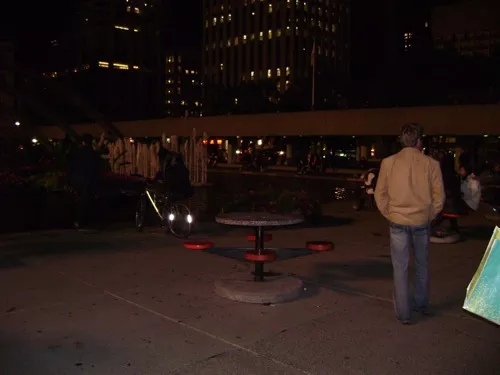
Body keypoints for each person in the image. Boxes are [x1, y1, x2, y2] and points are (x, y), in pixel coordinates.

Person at [375, 123, 445, 325]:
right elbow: (439, 197)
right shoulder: (431, 164)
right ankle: (421, 303)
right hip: (421, 221)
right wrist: (429, 214)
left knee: (400, 267)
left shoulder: (388, 163)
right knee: (422, 264)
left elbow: (380, 195)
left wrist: (391, 213)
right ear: (419, 141)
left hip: (397, 221)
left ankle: (404, 314)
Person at [67, 134, 101, 230]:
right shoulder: (92, 154)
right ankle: (82, 221)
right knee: (84, 201)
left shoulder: (76, 153)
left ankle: (77, 221)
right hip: (87, 181)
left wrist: (69, 180)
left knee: (78, 201)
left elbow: (70, 167)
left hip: (77, 180)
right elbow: (96, 169)